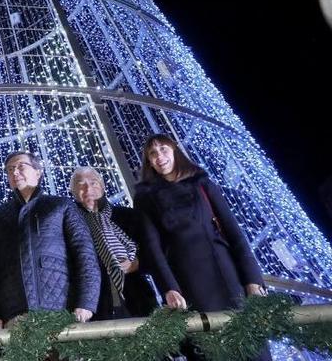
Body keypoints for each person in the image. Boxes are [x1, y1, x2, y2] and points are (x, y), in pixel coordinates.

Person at [134, 134, 269, 359]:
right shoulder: (144, 197)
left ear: (175, 151)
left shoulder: (201, 182)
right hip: (188, 282)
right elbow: (152, 248)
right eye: (153, 154)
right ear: (149, 161)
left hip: (226, 273)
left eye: (164, 150)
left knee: (251, 342)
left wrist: (253, 280)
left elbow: (235, 233)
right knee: (207, 345)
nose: (160, 157)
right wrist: (169, 288)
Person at [0, 152, 100, 330]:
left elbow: (85, 254)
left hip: (64, 309)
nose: (15, 172)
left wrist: (87, 302)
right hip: (15, 313)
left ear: (38, 172)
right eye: (10, 170)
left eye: (21, 166)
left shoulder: (61, 205)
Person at [69, 167, 158, 320]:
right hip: (95, 304)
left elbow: (154, 254)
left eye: (93, 183)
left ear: (103, 186)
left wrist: (138, 263)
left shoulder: (128, 216)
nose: (88, 188)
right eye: (81, 184)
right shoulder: (70, 224)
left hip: (136, 296)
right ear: (73, 192)